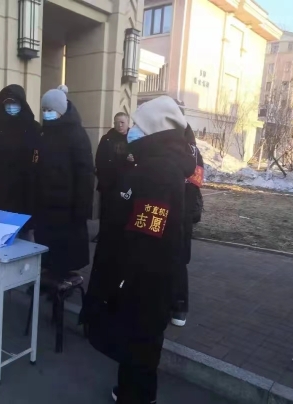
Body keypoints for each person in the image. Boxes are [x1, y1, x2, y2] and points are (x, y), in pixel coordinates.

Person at [82, 96, 196, 404]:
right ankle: (131, 392)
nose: (131, 129)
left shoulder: (157, 173)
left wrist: (122, 280)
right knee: (140, 343)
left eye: (137, 125)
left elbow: (147, 235)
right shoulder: (157, 166)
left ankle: (136, 396)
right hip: (147, 277)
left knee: (140, 343)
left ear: (153, 130)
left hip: (143, 280)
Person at [33, 85, 95, 281]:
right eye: (44, 110)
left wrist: (82, 208)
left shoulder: (77, 134)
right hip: (46, 203)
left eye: (50, 110)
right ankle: (49, 276)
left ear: (61, 110)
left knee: (65, 248)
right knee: (47, 244)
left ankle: (63, 279)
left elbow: (85, 174)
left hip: (67, 205)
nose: (46, 113)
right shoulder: (44, 133)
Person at [0, 84, 40, 230]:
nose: (10, 107)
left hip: (26, 189)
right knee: (2, 228)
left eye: (14, 103)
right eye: (7, 103)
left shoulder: (33, 128)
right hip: (2, 189)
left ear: (21, 103)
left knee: (25, 229)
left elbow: (39, 156)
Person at [171, 124, 204, 327]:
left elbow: (196, 182)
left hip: (181, 214)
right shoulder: (159, 147)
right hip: (164, 211)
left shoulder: (193, 152)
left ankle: (179, 304)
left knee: (178, 261)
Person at [93, 112, 134, 242]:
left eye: (122, 122)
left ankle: (122, 237)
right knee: (106, 210)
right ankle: (103, 235)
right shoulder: (107, 138)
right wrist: (102, 176)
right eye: (116, 122)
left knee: (123, 211)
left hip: (126, 182)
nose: (119, 125)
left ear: (128, 123)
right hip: (108, 182)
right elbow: (99, 159)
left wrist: (132, 159)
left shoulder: (134, 138)